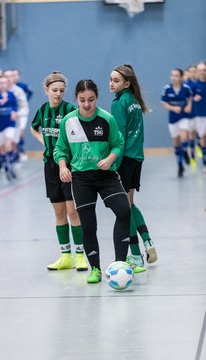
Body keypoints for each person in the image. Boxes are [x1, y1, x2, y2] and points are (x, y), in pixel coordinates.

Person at [54, 79, 146, 284]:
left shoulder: (107, 118)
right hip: (81, 179)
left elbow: (118, 143)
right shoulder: (69, 121)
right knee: (88, 225)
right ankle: (95, 269)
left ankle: (120, 264)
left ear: (96, 98)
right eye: (82, 100)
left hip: (106, 176)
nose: (87, 104)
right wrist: (62, 166)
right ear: (76, 99)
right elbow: (60, 148)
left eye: (91, 99)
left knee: (124, 210)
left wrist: (111, 159)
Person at [31, 71, 88, 271]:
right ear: (46, 90)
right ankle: (66, 256)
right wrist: (44, 142)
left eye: (62, 91)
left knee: (73, 211)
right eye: (54, 90)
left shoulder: (70, 111)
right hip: (50, 165)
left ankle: (80, 255)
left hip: (69, 166)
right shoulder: (42, 110)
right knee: (59, 212)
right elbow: (34, 127)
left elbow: (83, 133)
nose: (58, 94)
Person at [109, 64, 157, 267]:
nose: (112, 84)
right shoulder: (135, 101)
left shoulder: (119, 103)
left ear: (127, 83)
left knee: (124, 210)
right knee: (129, 204)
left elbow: (118, 136)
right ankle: (148, 241)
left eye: (116, 81)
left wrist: (113, 163)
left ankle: (136, 256)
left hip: (124, 159)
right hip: (137, 158)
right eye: (111, 79)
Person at [161, 68, 192, 177]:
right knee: (176, 143)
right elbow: (164, 103)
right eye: (172, 75)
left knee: (184, 137)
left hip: (184, 117)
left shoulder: (186, 88)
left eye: (176, 76)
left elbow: (190, 99)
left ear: (181, 77)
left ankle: (185, 152)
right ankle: (180, 165)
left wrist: (189, 106)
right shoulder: (167, 88)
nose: (174, 77)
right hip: (173, 119)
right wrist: (173, 108)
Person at [4, 70, 29, 163]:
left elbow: (24, 107)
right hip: (3, 118)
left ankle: (16, 155)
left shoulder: (18, 90)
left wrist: (17, 114)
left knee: (16, 137)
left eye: (10, 76)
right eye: (6, 76)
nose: (8, 79)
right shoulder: (0, 89)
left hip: (17, 117)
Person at [193, 62, 206, 173]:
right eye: (200, 70)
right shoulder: (193, 86)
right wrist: (193, 99)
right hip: (199, 117)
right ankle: (204, 164)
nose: (202, 72)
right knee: (203, 138)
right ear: (197, 72)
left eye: (204, 70)